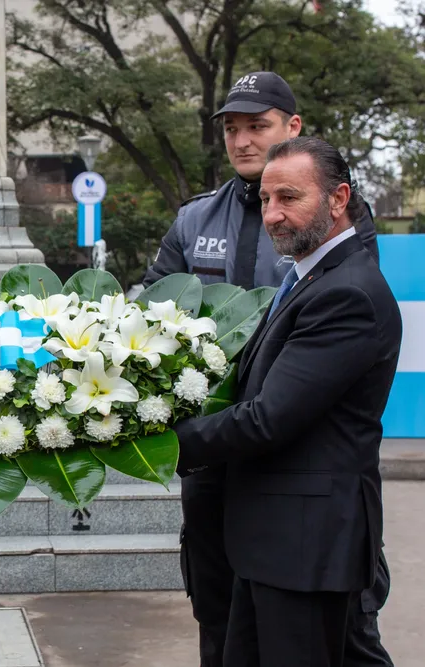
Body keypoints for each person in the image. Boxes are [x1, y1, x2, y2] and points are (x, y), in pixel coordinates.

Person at [142, 71, 392, 667]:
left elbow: (282, 406)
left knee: (337, 643)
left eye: (258, 127)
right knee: (228, 629)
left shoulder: (341, 265)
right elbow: (149, 318)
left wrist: (156, 441)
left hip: (294, 490)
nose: (244, 141)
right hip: (230, 475)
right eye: (232, 129)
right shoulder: (199, 220)